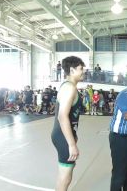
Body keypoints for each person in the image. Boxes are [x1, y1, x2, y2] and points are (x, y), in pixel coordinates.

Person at [51, 56, 85, 191]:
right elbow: (62, 116)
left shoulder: (69, 87)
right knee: (66, 178)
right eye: (81, 69)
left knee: (64, 175)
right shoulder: (69, 88)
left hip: (64, 135)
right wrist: (71, 144)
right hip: (63, 137)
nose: (83, 71)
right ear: (72, 70)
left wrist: (73, 137)